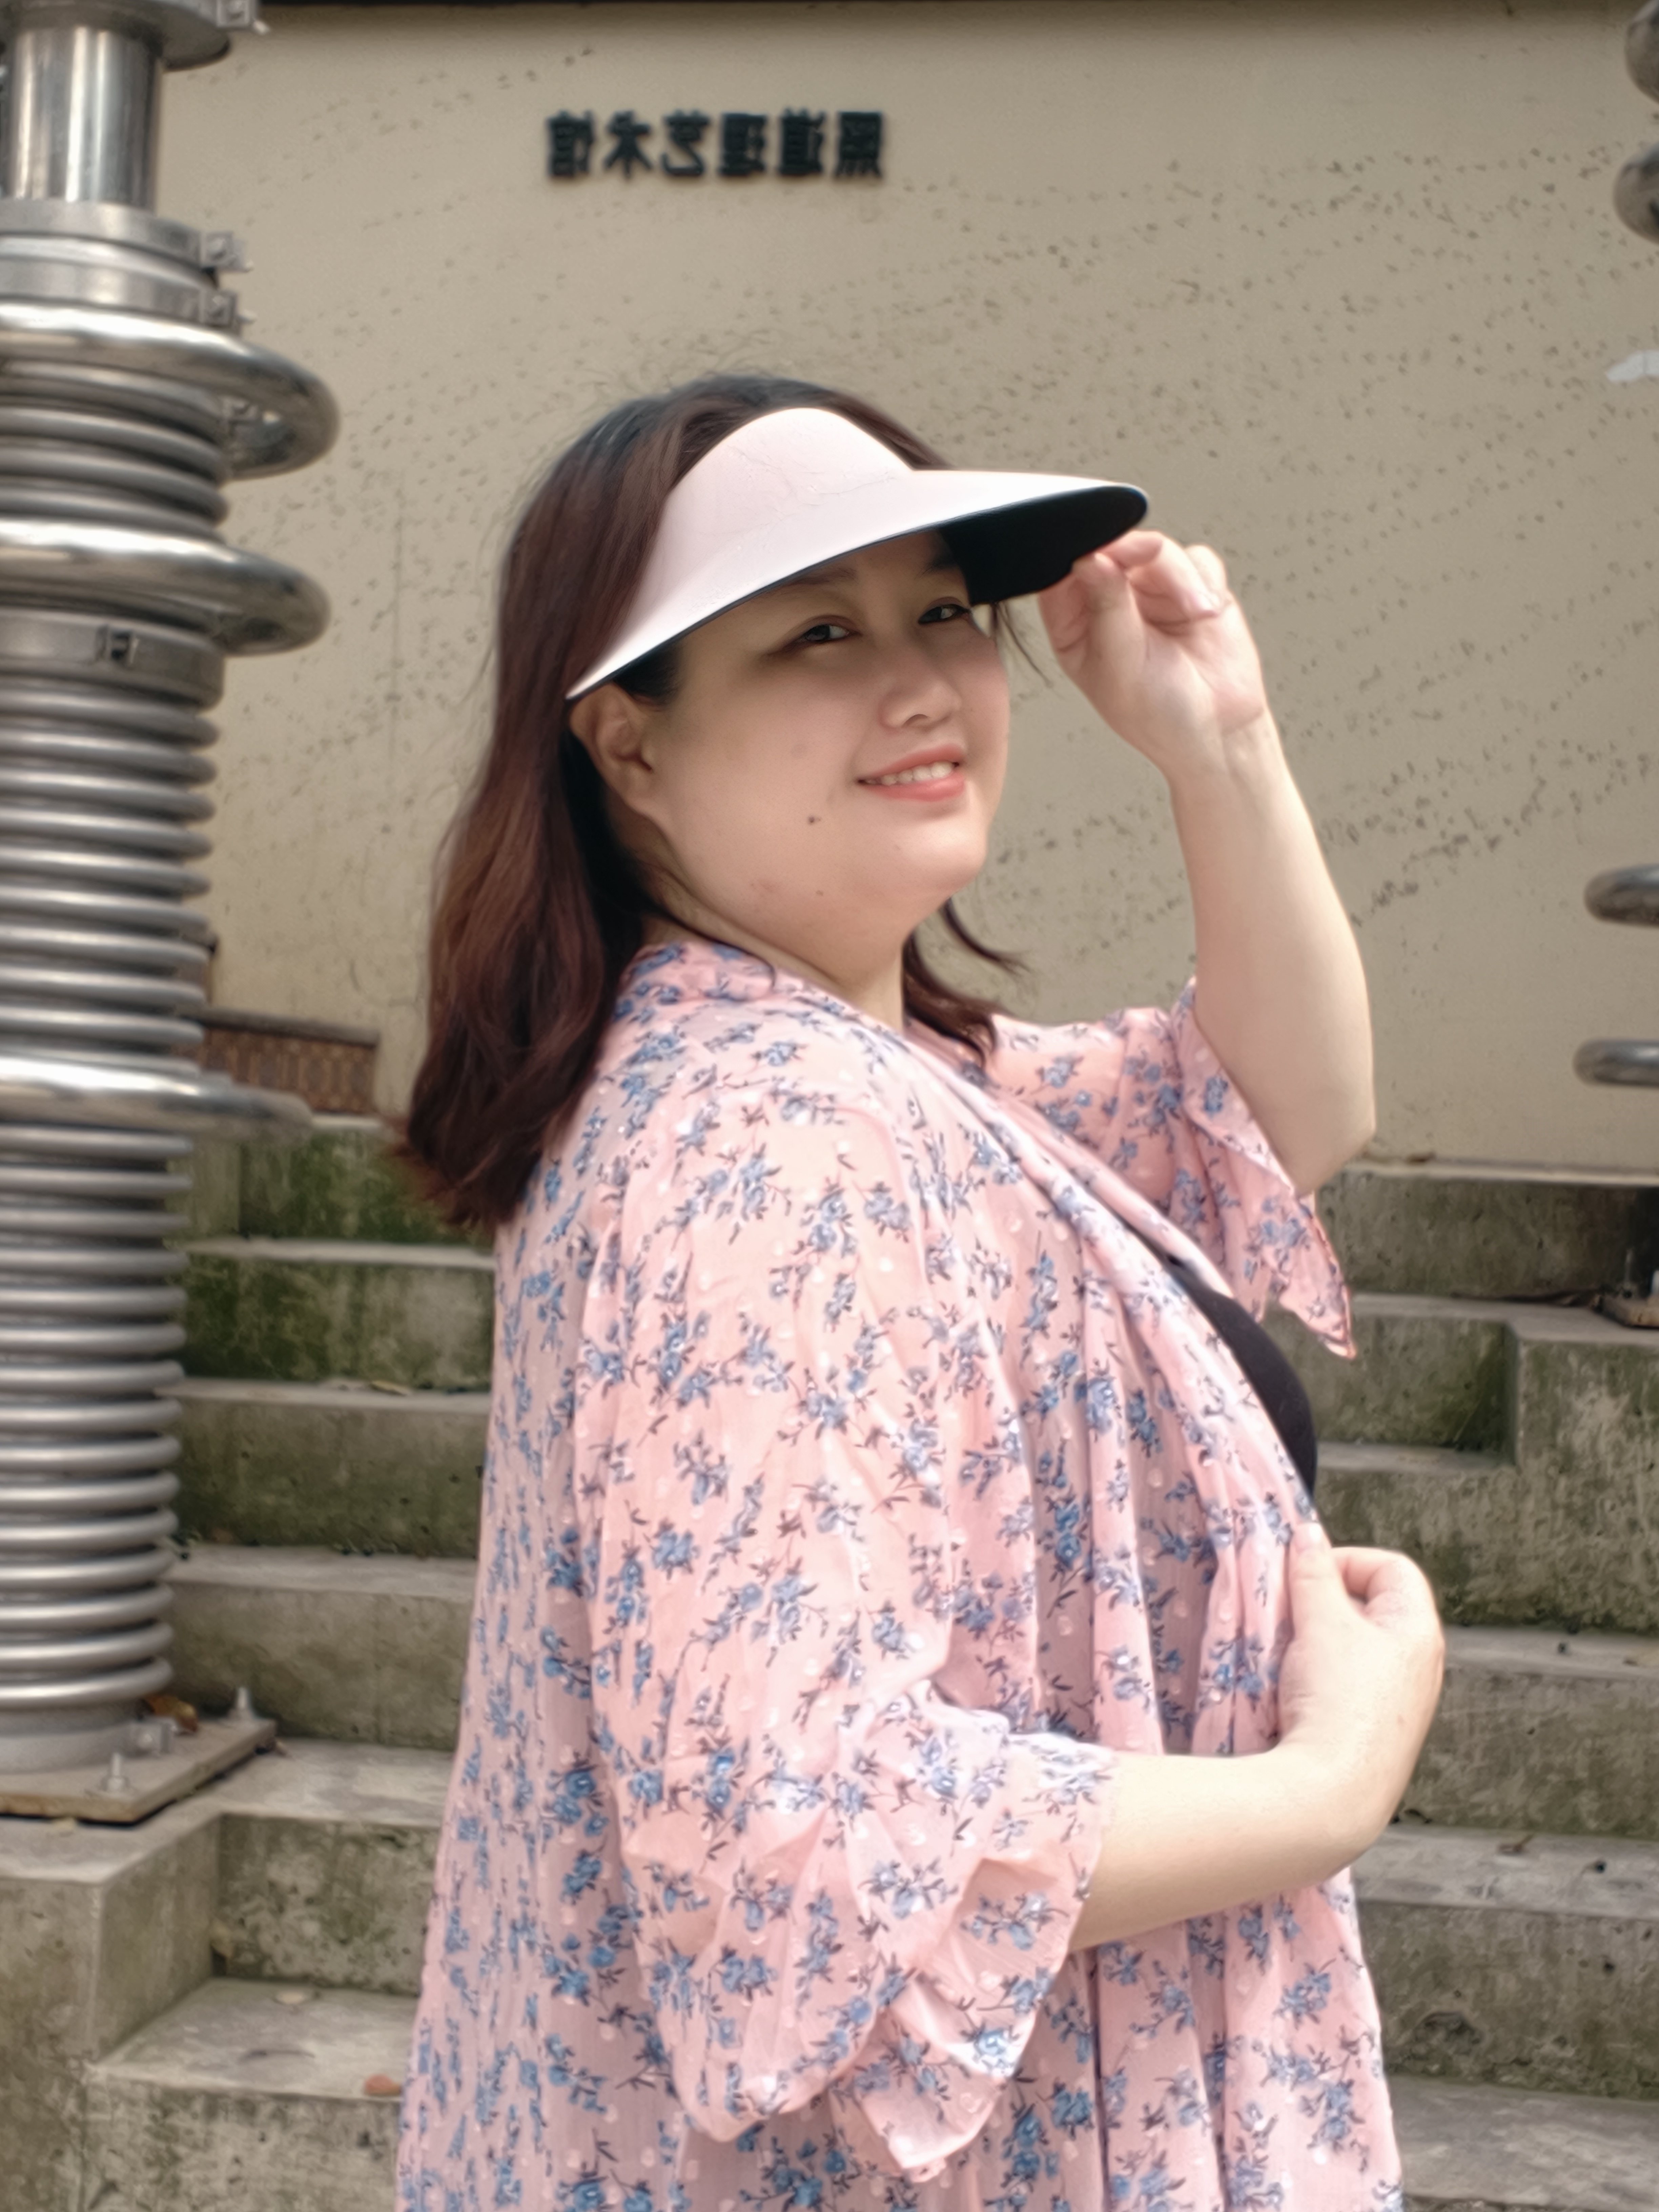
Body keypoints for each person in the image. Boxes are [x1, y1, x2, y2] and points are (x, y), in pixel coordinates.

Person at [395, 373, 1444, 2212]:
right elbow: (798, 1845)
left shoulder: (871, 1071)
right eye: (818, 632)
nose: (922, 683)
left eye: (944, 610)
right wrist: (1334, 1779)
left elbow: (1284, 1111)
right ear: (628, 743)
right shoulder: (769, 1137)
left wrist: (1221, 744)